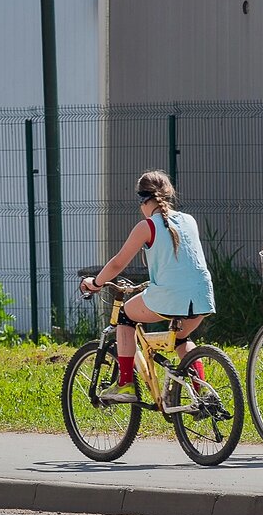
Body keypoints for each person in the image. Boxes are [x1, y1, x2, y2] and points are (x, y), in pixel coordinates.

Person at [80, 170, 215, 403]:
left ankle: (125, 384)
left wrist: (96, 283)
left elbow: (118, 263)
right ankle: (202, 391)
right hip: (203, 297)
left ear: (143, 200)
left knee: (125, 316)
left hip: (169, 296)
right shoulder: (189, 220)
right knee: (181, 339)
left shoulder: (147, 226)